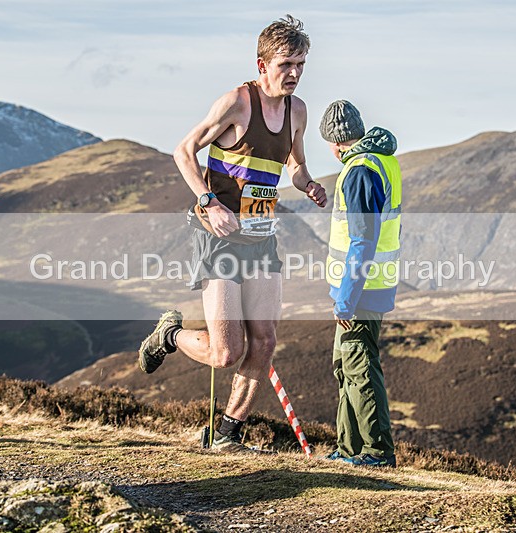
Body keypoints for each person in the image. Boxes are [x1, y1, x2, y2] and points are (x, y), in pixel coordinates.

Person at [138, 15, 327, 453]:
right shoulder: (237, 103)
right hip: (218, 236)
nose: (294, 73)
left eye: (301, 64)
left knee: (264, 341)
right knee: (226, 353)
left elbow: (295, 166)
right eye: (286, 64)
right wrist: (208, 201)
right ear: (262, 64)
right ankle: (170, 335)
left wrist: (309, 184)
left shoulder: (297, 111)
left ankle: (227, 435)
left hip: (261, 237)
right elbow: (183, 151)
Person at [319, 100, 401, 467]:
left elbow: (362, 240)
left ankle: (376, 451)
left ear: (336, 143)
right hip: (364, 287)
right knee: (346, 364)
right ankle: (349, 448)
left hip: (360, 290)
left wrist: (346, 300)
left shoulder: (359, 171)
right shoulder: (380, 161)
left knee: (359, 366)